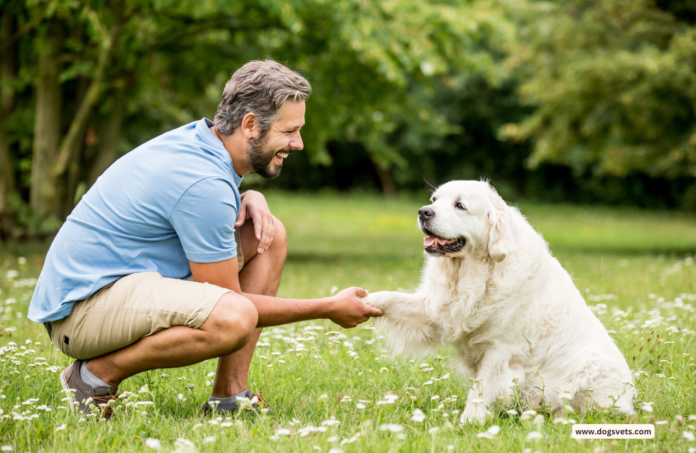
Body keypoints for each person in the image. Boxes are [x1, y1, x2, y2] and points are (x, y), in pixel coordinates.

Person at [28, 59, 383, 419]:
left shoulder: (204, 142)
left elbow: (191, 206)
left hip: (113, 286)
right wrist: (326, 307)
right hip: (80, 312)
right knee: (234, 317)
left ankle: (229, 395)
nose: (299, 143)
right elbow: (229, 300)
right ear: (250, 125)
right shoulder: (203, 182)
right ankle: (92, 378)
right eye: (289, 131)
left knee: (268, 235)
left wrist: (249, 197)